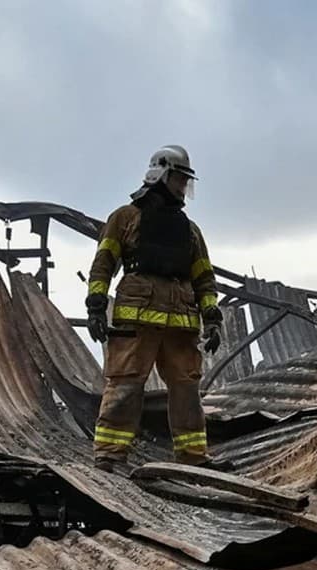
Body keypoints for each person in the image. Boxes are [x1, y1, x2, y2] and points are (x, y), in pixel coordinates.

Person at [84, 145, 222, 470]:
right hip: (136, 322)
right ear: (160, 173)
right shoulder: (125, 218)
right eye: (179, 179)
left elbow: (204, 279)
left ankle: (194, 458)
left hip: (181, 325)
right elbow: (103, 265)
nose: (183, 187)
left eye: (186, 181)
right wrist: (95, 306)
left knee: (187, 390)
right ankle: (109, 456)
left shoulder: (190, 231)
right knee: (125, 386)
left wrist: (213, 320)